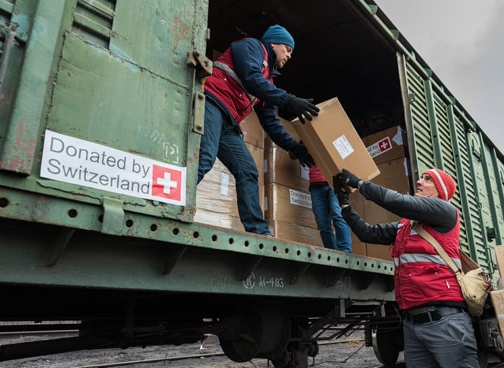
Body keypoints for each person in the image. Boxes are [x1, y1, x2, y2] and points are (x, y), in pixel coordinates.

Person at [333, 168, 478, 368]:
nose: (419, 181)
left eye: (428, 180)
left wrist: (360, 183)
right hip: (412, 324)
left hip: (445, 322)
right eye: (422, 177)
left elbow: (399, 202)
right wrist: (344, 205)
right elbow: (368, 233)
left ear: (441, 191)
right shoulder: (406, 226)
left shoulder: (446, 211)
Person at [198, 24, 319, 235]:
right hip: (213, 101)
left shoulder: (268, 81)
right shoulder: (252, 47)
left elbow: (271, 123)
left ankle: (258, 231)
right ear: (273, 43)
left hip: (229, 122)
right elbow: (251, 78)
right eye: (287, 49)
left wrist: (294, 147)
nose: (289, 55)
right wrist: (289, 100)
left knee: (247, 170)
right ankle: (173, 203)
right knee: (205, 156)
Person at [307, 165, 352, 252]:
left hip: (334, 181)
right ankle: (333, 254)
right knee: (322, 224)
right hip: (315, 185)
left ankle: (346, 253)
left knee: (337, 215)